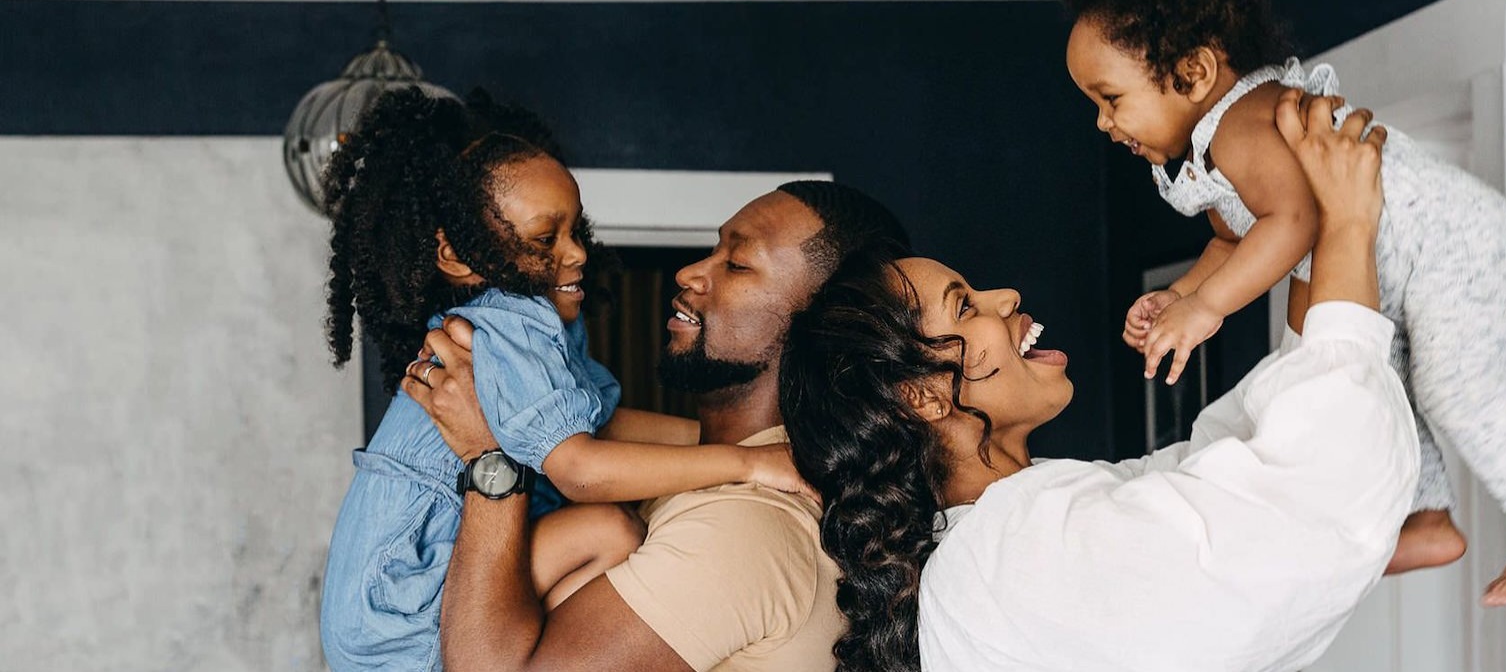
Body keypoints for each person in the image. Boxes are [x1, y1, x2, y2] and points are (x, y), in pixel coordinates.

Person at [779, 90, 1414, 672]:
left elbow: (1230, 459)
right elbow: (1312, 498)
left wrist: (1310, 239)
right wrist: (1351, 224)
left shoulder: (1015, 529)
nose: (1007, 296)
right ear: (921, 395)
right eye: (966, 305)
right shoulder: (1011, 553)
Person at [1058, 0, 1506, 603]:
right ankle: (1426, 519)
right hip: (1396, 273)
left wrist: (1206, 307)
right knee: (1380, 389)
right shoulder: (1214, 151)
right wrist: (1181, 295)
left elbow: (1294, 221)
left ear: (1195, 72)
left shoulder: (1247, 122)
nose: (1102, 123)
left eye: (1110, 98)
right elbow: (1234, 242)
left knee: (1455, 390)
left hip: (1454, 244)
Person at [317, 88, 812, 671]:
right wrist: (750, 465)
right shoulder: (504, 326)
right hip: (396, 609)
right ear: (457, 257)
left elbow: (604, 424)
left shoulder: (536, 324)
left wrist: (762, 446)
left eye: (577, 230)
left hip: (367, 615)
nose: (576, 253)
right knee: (609, 530)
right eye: (544, 239)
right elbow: (580, 469)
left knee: (606, 532)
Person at [402, 181, 912, 671]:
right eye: (712, 250)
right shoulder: (740, 470)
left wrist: (490, 455)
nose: (690, 272)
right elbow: (599, 432)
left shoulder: (739, 527)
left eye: (735, 264)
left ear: (823, 323)